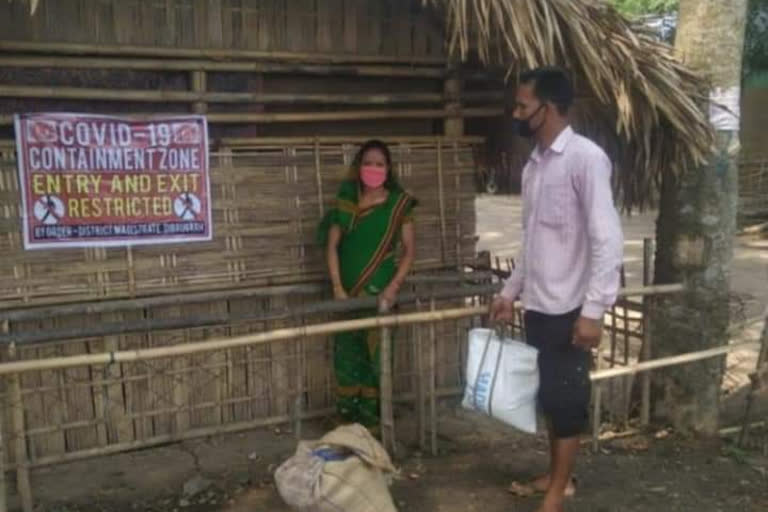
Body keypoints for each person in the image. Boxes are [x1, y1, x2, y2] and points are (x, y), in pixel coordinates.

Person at [490, 67, 624, 512]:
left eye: (522, 106)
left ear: (547, 109)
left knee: (566, 404)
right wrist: (510, 291)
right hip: (540, 306)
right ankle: (555, 475)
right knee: (550, 397)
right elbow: (531, 240)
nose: (516, 113)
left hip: (571, 308)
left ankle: (556, 493)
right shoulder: (534, 166)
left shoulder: (586, 158)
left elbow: (607, 239)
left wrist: (594, 310)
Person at [318, 139, 417, 431]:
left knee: (377, 360)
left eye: (379, 164)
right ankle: (348, 422)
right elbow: (332, 246)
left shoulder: (399, 205)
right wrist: (337, 287)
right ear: (358, 167)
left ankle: (374, 426)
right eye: (368, 163)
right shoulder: (346, 202)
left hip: (379, 298)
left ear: (388, 169)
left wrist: (393, 287)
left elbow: (409, 251)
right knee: (347, 357)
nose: (373, 169)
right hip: (346, 299)